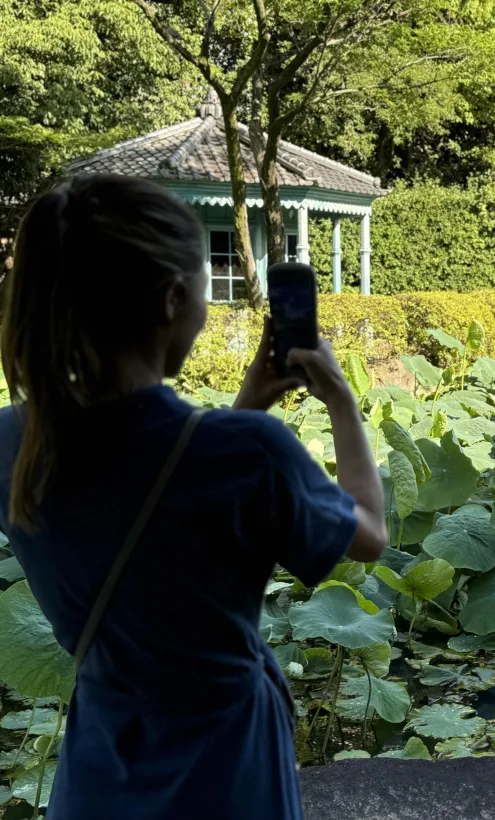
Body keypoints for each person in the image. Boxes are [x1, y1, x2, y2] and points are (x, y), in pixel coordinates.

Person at [0, 174, 387, 819]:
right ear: (173, 300)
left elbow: (145, 497)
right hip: (227, 771)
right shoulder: (246, 452)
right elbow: (369, 533)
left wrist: (242, 409)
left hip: (101, 768)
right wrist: (341, 403)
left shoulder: (13, 442)